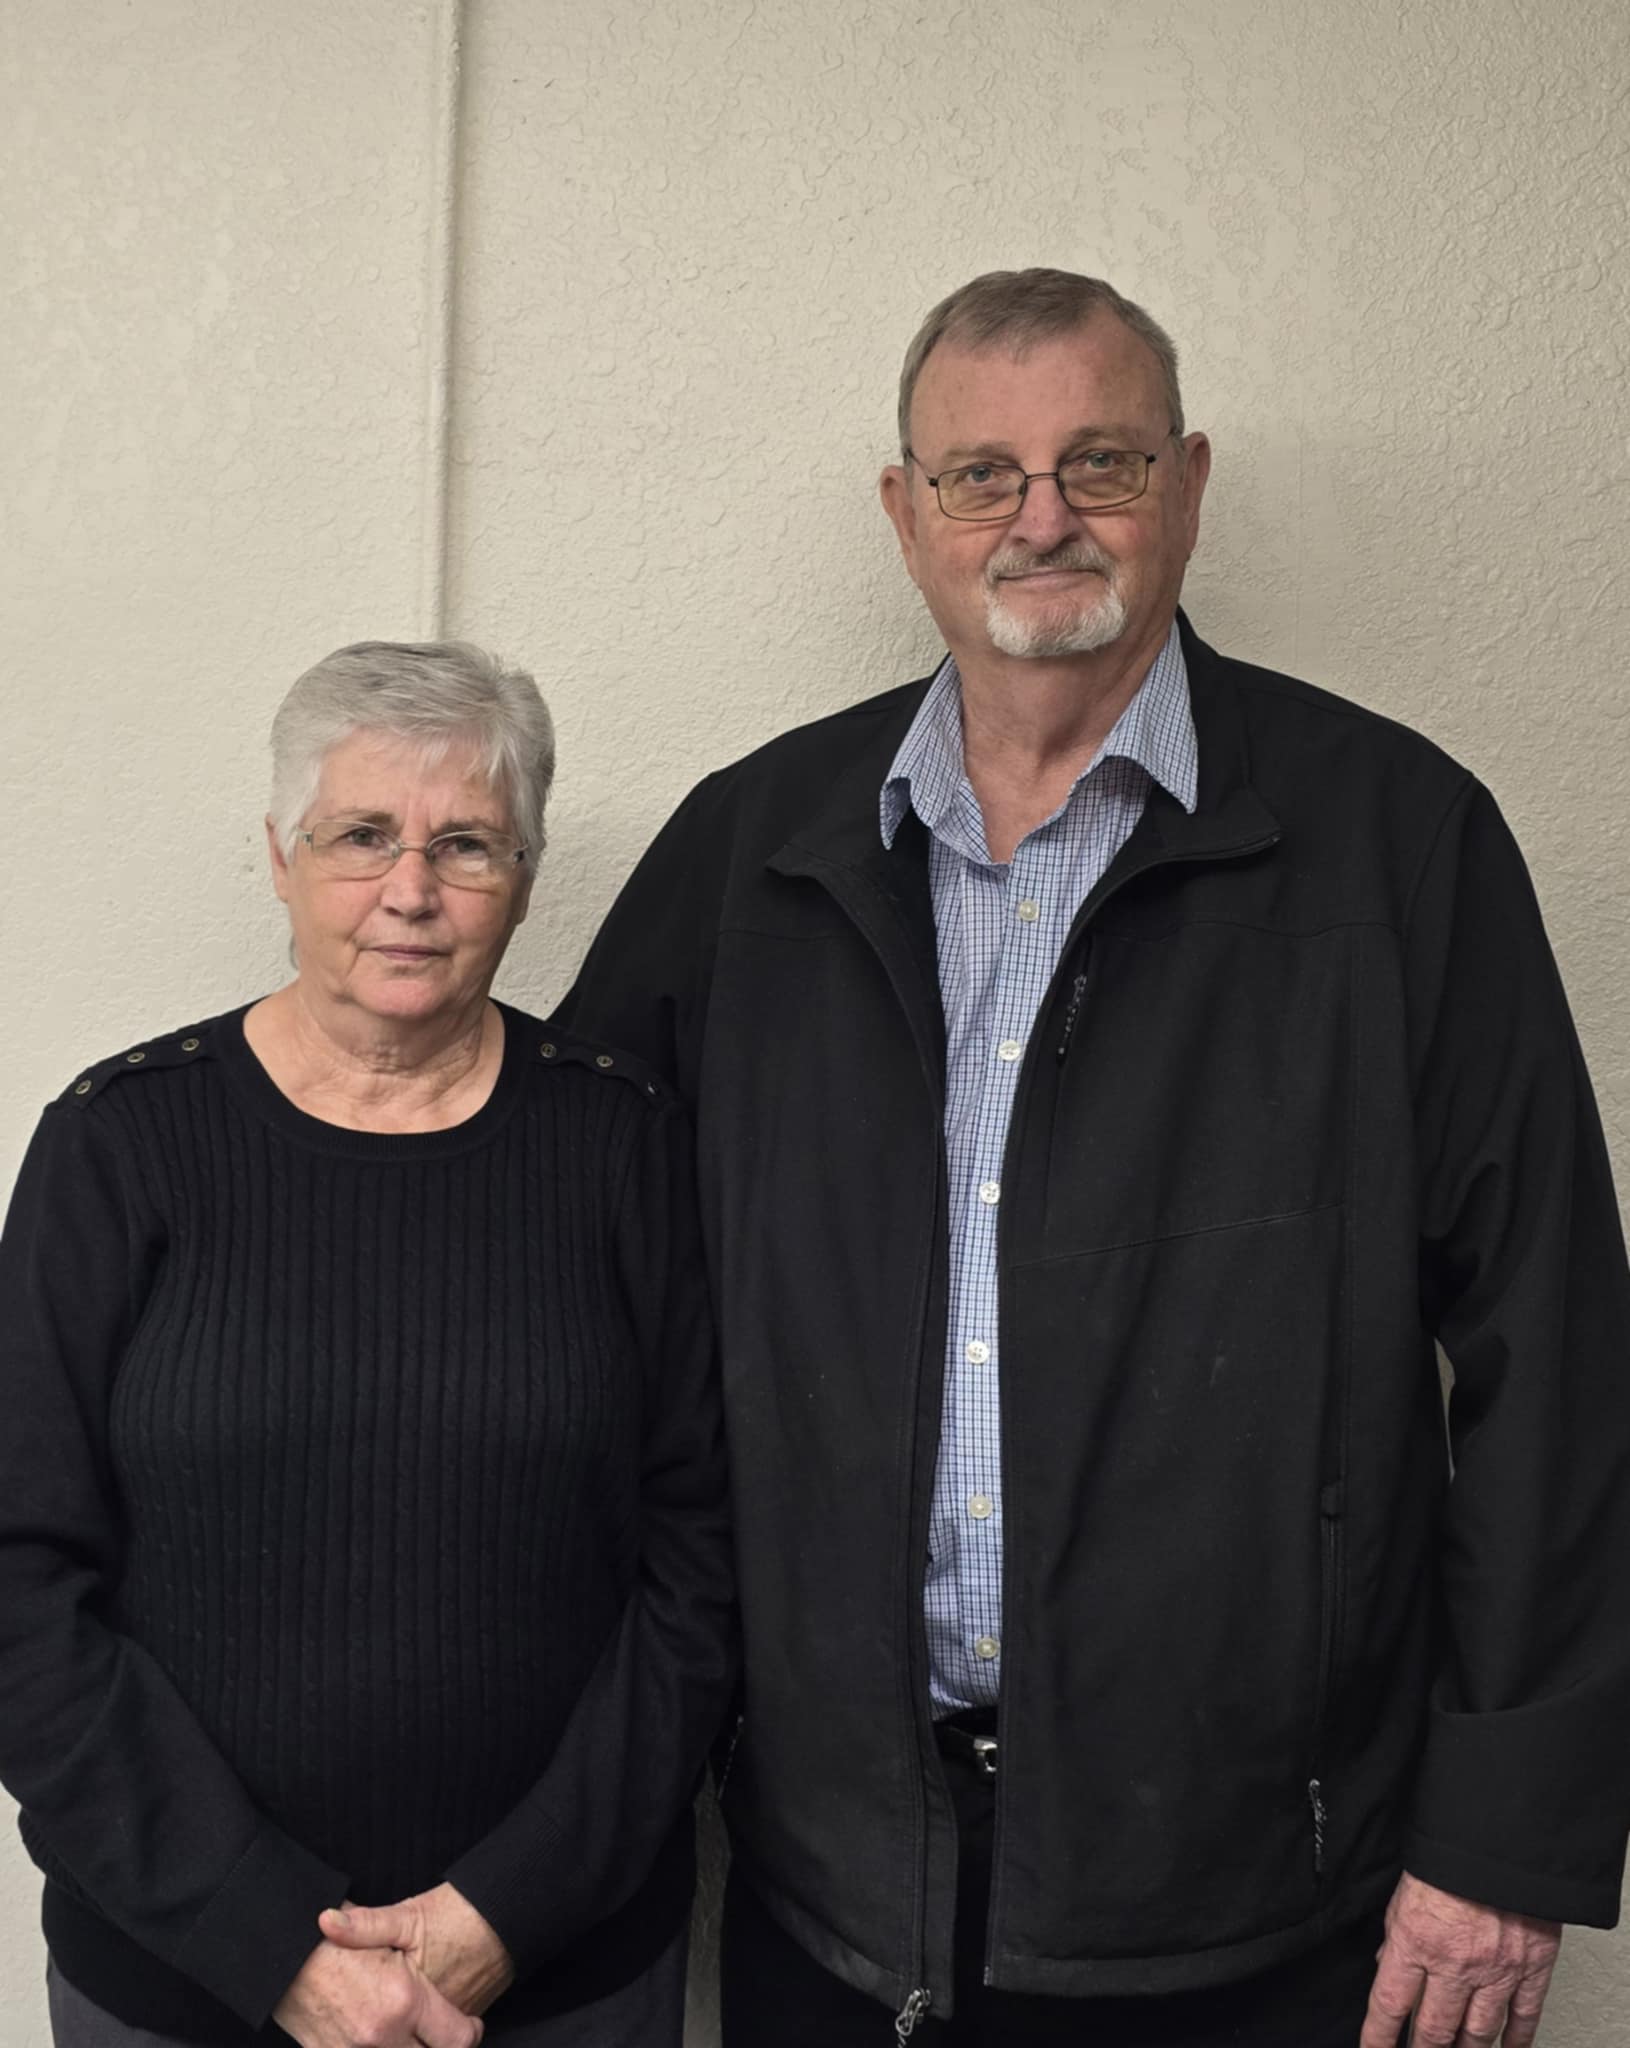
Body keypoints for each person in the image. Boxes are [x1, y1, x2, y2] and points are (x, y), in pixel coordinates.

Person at [556, 269, 1630, 2047]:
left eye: (1100, 463)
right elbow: (563, 1273)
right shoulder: (753, 856)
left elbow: (1557, 1358)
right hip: (835, 1889)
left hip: (1264, 1902)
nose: (1040, 517)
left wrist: (1503, 1838)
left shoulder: (1393, 844)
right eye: (981, 472)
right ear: (903, 515)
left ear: (1188, 483)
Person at [0, 640, 735, 2047]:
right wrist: (271, 1943)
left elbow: (704, 1567)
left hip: (561, 1976)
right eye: (361, 837)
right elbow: (18, 1585)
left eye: (465, 844)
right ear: (279, 857)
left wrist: (506, 1914)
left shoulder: (623, 1147)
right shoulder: (119, 1146)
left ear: (521, 874)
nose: (410, 891)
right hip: (182, 1983)